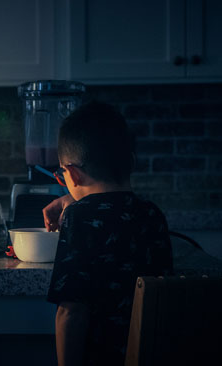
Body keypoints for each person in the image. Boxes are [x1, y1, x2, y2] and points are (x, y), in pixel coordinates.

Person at [43, 101, 173, 365]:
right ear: (132, 162)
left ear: (73, 174)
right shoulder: (152, 213)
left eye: (62, 174)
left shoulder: (79, 217)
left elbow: (71, 311)